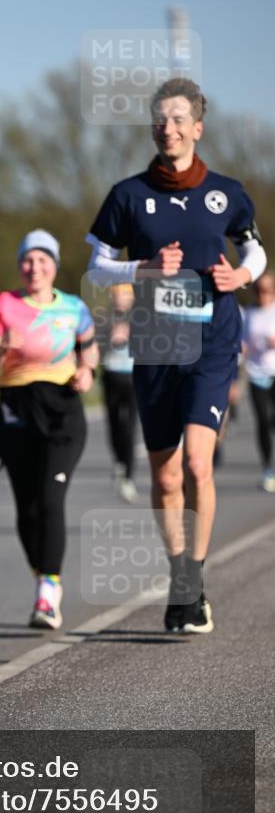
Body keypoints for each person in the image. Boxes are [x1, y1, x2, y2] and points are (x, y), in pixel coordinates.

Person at [86, 77, 266, 634]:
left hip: (212, 342)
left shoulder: (226, 193)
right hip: (156, 344)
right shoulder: (127, 195)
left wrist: (241, 276)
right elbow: (96, 267)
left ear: (197, 128)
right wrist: (142, 268)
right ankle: (178, 568)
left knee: (196, 464)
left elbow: (255, 249)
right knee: (165, 479)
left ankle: (193, 582)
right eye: (160, 119)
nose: (168, 128)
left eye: (178, 119)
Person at [0, 230, 97, 629]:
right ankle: (42, 574)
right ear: (19, 265)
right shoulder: (3, 305)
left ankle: (48, 589)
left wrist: (87, 372)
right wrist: (1, 347)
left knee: (50, 498)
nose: (35, 268)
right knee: (27, 509)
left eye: (43, 260)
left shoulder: (74, 307)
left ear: (54, 265)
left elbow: (89, 351)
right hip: (17, 409)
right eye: (28, 260)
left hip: (62, 410)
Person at [99, 284, 139, 502]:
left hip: (133, 378)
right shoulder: (104, 318)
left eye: (125, 295)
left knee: (129, 427)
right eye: (117, 295)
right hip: (111, 376)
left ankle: (129, 476)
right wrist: (109, 338)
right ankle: (119, 462)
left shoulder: (140, 318)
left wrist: (131, 337)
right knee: (114, 425)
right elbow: (94, 348)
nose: (120, 299)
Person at [242, 271, 275, 492]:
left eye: (267, 290)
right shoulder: (249, 314)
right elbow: (243, 342)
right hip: (256, 374)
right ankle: (268, 469)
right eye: (259, 290)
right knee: (262, 421)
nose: (263, 294)